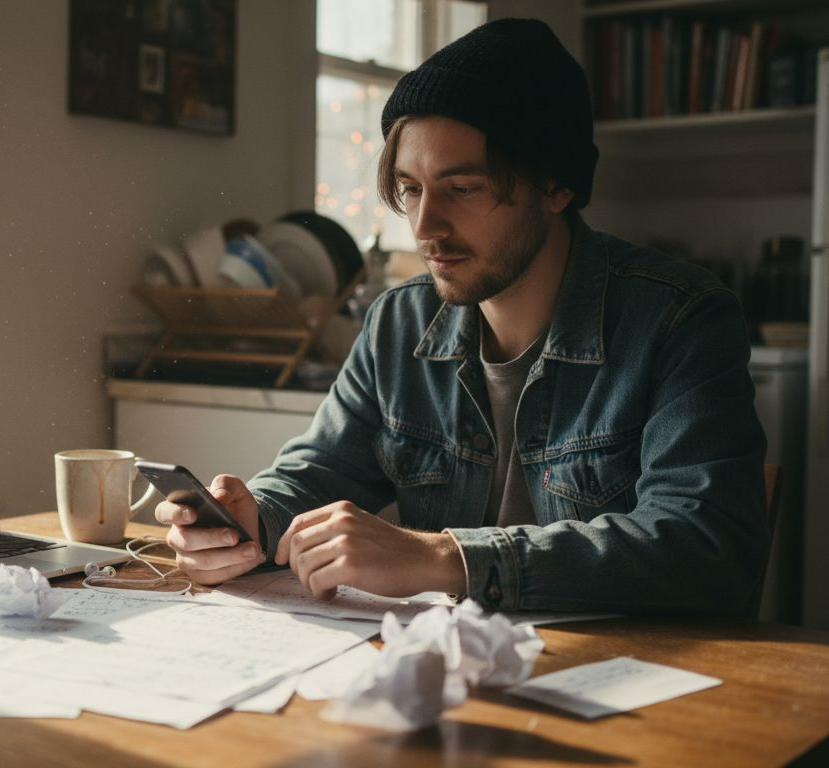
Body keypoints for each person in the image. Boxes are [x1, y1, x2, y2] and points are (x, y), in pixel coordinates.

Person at [155, 18, 768, 614]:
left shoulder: (681, 320)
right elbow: (319, 471)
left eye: (463, 189)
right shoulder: (398, 324)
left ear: (557, 187)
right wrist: (249, 520)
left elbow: (706, 547)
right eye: (411, 189)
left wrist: (445, 557)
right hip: (444, 663)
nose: (425, 226)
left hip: (630, 671)